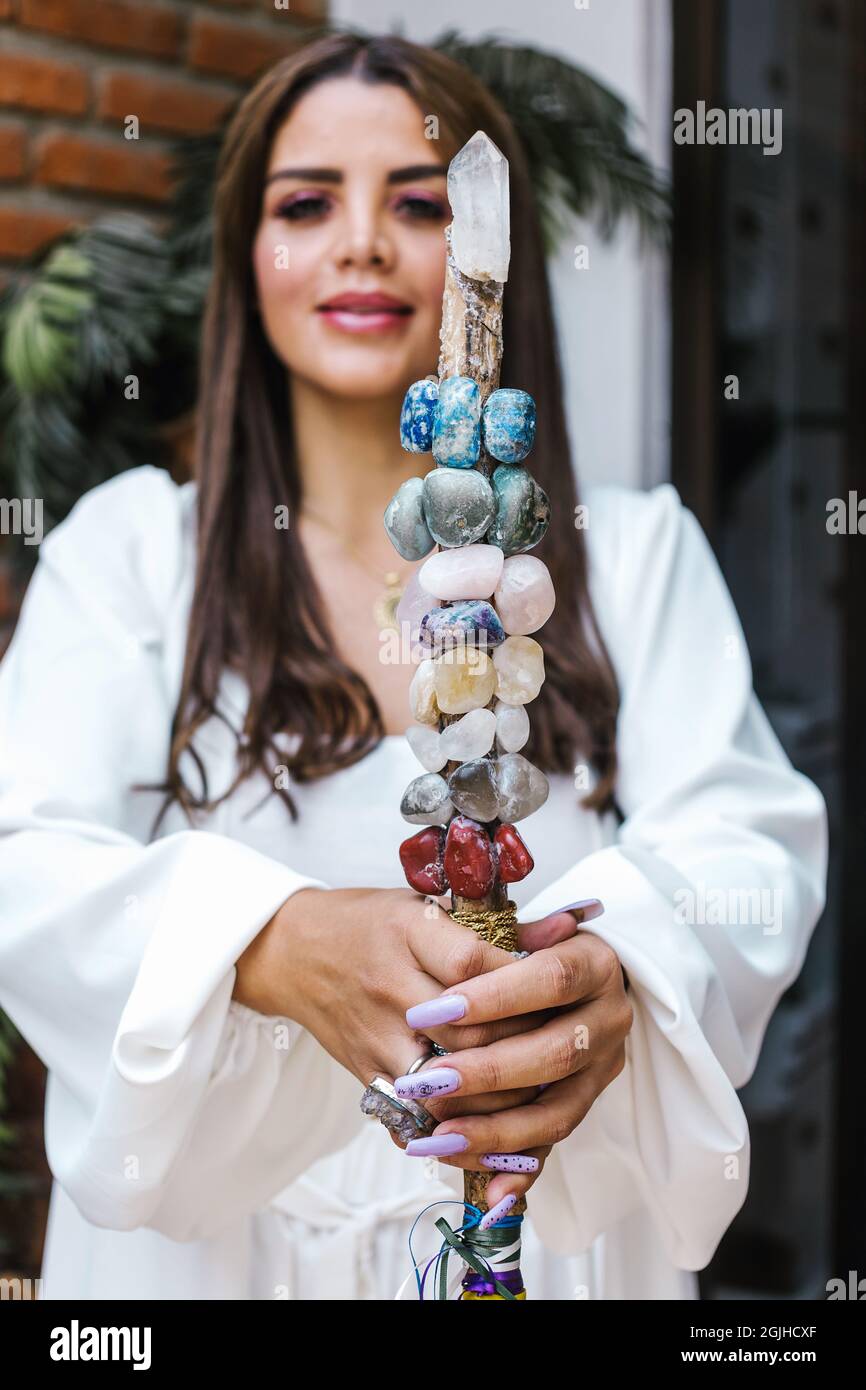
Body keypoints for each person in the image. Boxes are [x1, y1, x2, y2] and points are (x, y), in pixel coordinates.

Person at [0, 32, 826, 1301]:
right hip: (209, 1269)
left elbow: (746, 847)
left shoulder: (636, 553)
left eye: (422, 200)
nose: (364, 243)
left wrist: (625, 973)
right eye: (306, 201)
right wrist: (267, 941)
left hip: (542, 1248)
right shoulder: (134, 554)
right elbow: (24, 861)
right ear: (247, 253)